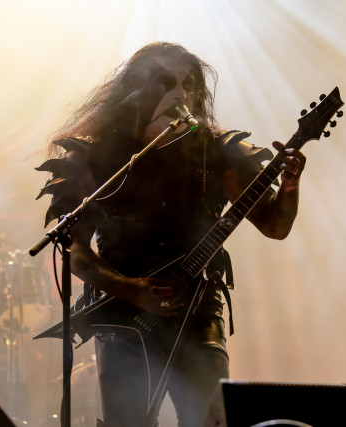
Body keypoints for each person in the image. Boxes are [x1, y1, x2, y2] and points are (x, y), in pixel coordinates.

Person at [36, 42, 306, 427]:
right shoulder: (95, 159)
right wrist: (130, 289)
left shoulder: (218, 151)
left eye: (188, 84)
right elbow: (74, 250)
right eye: (164, 82)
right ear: (132, 91)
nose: (180, 94)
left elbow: (275, 226)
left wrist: (290, 190)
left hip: (197, 307)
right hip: (124, 311)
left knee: (212, 417)